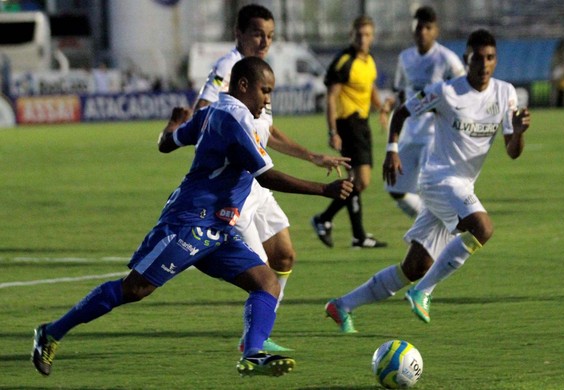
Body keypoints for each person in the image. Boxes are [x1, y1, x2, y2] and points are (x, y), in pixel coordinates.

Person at [31, 57, 354, 377]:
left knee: (267, 282)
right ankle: (51, 332)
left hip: (218, 227)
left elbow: (168, 143)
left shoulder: (212, 112)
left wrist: (173, 124)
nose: (268, 99)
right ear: (243, 85)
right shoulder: (234, 118)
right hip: (190, 222)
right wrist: (324, 189)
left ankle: (253, 353)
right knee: (135, 290)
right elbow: (266, 177)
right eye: (264, 90)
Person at [324, 29, 531, 332]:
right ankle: (424, 291)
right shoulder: (446, 92)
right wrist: (392, 150)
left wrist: (519, 132)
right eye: (477, 58)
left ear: (496, 61)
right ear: (466, 59)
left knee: (414, 267)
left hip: (461, 185)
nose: (484, 65)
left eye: (490, 58)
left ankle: (342, 305)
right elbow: (401, 112)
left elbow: (512, 151)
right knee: (482, 227)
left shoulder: (505, 93)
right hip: (438, 179)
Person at [192, 3, 351, 352]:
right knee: (261, 273)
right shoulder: (227, 68)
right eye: (257, 34)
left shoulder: (260, 74)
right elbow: (201, 115)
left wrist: (312, 156)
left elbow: (268, 131)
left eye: (270, 36)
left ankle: (257, 335)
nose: (265, 42)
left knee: (284, 256)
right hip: (235, 186)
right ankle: (254, 343)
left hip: (255, 181)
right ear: (239, 34)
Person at [311, 15, 392, 249]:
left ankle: (352, 232)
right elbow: (331, 98)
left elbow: (370, 88)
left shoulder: (369, 61)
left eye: (367, 35)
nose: (363, 39)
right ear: (352, 35)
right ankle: (327, 220)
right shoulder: (343, 61)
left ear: (372, 37)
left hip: (363, 124)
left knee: (356, 181)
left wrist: (381, 108)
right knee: (361, 180)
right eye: (359, 35)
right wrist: (332, 131)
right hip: (348, 125)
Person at [382, 6, 465, 218]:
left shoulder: (447, 59)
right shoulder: (405, 58)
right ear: (413, 29)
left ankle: (436, 233)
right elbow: (401, 93)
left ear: (435, 31)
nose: (423, 32)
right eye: (419, 27)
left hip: (435, 136)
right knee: (396, 188)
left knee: (431, 190)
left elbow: (463, 93)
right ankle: (435, 224)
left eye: (428, 28)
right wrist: (389, 109)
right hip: (410, 134)